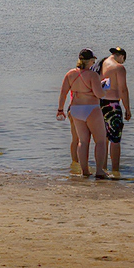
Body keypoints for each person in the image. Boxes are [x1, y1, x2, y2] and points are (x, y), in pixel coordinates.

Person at [57, 49, 109, 178]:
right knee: (100, 141)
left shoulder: (70, 74)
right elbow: (99, 94)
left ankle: (84, 170)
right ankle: (99, 170)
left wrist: (60, 109)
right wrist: (104, 88)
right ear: (90, 61)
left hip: (76, 109)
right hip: (91, 108)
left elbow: (63, 93)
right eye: (93, 60)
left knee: (83, 141)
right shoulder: (92, 75)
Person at [99, 47, 131, 175]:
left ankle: (103, 168)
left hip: (99, 104)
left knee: (103, 139)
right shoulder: (119, 68)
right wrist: (128, 108)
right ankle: (115, 171)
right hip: (112, 105)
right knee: (115, 140)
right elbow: (123, 89)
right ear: (121, 57)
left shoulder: (101, 64)